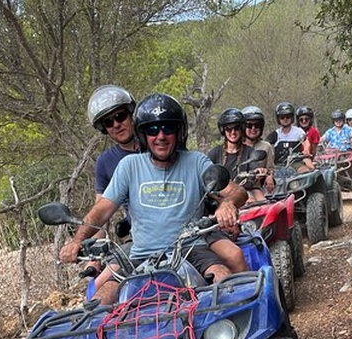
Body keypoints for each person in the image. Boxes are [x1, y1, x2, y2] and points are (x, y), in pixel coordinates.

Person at [60, 93, 248, 304]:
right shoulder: (128, 166)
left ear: (179, 132)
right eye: (152, 130)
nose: (160, 136)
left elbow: (238, 192)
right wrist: (77, 241)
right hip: (140, 254)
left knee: (225, 279)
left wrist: (227, 203)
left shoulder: (196, 162)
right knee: (97, 302)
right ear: (143, 135)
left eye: (168, 128)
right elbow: (102, 209)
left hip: (190, 248)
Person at [84, 85, 139, 286]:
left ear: (132, 114)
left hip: (180, 232)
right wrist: (94, 255)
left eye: (121, 116)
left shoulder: (157, 142)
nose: (116, 124)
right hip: (139, 240)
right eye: (108, 122)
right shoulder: (105, 162)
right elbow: (100, 212)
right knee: (98, 287)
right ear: (103, 128)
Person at [207, 108, 268, 202]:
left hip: (244, 195)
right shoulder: (214, 153)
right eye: (229, 129)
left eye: (236, 128)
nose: (233, 132)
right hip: (219, 196)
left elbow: (254, 175)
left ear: (242, 129)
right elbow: (207, 180)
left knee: (261, 202)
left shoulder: (250, 152)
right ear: (223, 130)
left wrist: (257, 173)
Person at [266, 102, 314, 171]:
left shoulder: (298, 131)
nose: (285, 119)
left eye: (288, 116)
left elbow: (305, 142)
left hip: (296, 163)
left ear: (292, 117)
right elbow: (265, 145)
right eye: (282, 117)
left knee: (305, 171)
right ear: (278, 119)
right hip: (278, 165)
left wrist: (306, 150)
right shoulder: (275, 134)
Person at [241, 105, 276, 190]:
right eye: (249, 125)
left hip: (257, 188)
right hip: (237, 188)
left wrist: (269, 177)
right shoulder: (237, 145)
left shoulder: (266, 146)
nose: (253, 128)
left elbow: (270, 169)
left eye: (257, 125)